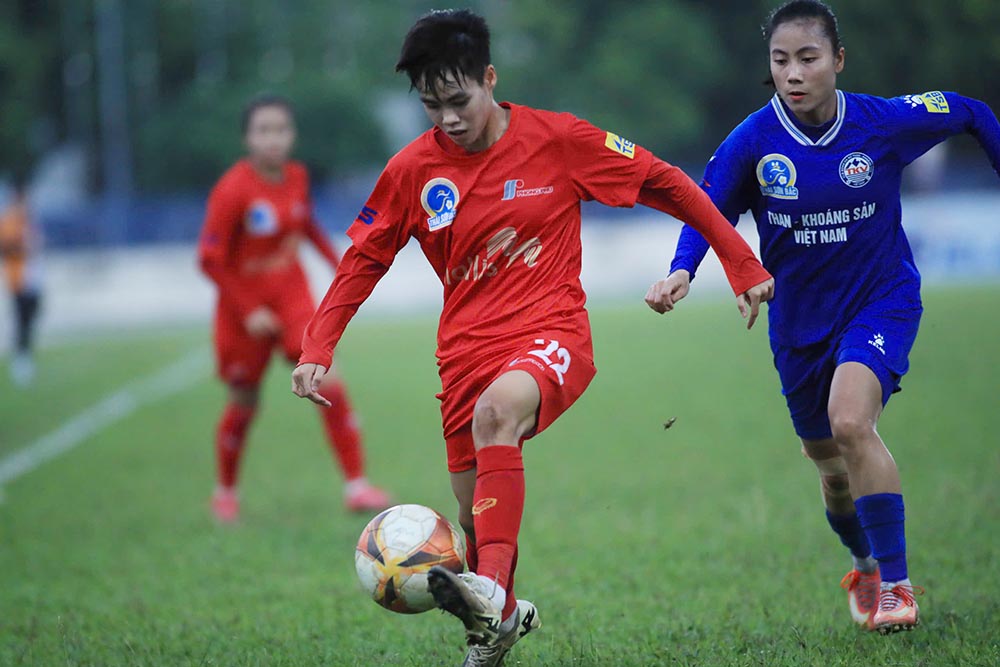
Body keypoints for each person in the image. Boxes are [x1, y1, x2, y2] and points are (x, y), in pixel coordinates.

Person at [291, 10, 773, 665]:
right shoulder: (411, 170)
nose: (448, 119)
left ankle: (487, 591)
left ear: (490, 78)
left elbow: (666, 182)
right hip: (463, 354)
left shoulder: (558, 139)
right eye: (433, 106)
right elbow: (363, 259)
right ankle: (500, 621)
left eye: (459, 100)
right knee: (470, 518)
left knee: (498, 416)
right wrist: (319, 344)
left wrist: (740, 261)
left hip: (553, 333)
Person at [662, 0, 1000, 635]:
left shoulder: (883, 122)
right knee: (828, 466)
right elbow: (708, 210)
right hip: (798, 324)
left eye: (808, 58)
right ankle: (865, 562)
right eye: (781, 60)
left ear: (838, 61)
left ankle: (898, 588)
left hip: (881, 300)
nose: (793, 72)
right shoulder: (753, 141)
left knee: (851, 421)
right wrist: (684, 269)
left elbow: (972, 112)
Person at [198, 94, 391, 522]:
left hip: (293, 300)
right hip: (242, 314)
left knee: (328, 378)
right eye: (263, 130)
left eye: (280, 130)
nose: (273, 139)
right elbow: (209, 259)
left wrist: (339, 262)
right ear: (248, 137)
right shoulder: (232, 190)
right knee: (244, 401)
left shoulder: (297, 177)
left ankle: (356, 485)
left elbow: (305, 224)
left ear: (292, 135)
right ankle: (225, 492)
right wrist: (248, 309)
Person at [0, 174, 43, 387]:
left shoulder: (28, 217)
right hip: (19, 277)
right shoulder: (9, 219)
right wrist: (24, 247)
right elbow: (5, 247)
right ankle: (20, 359)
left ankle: (26, 354)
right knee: (21, 318)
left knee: (32, 314)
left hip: (34, 275)